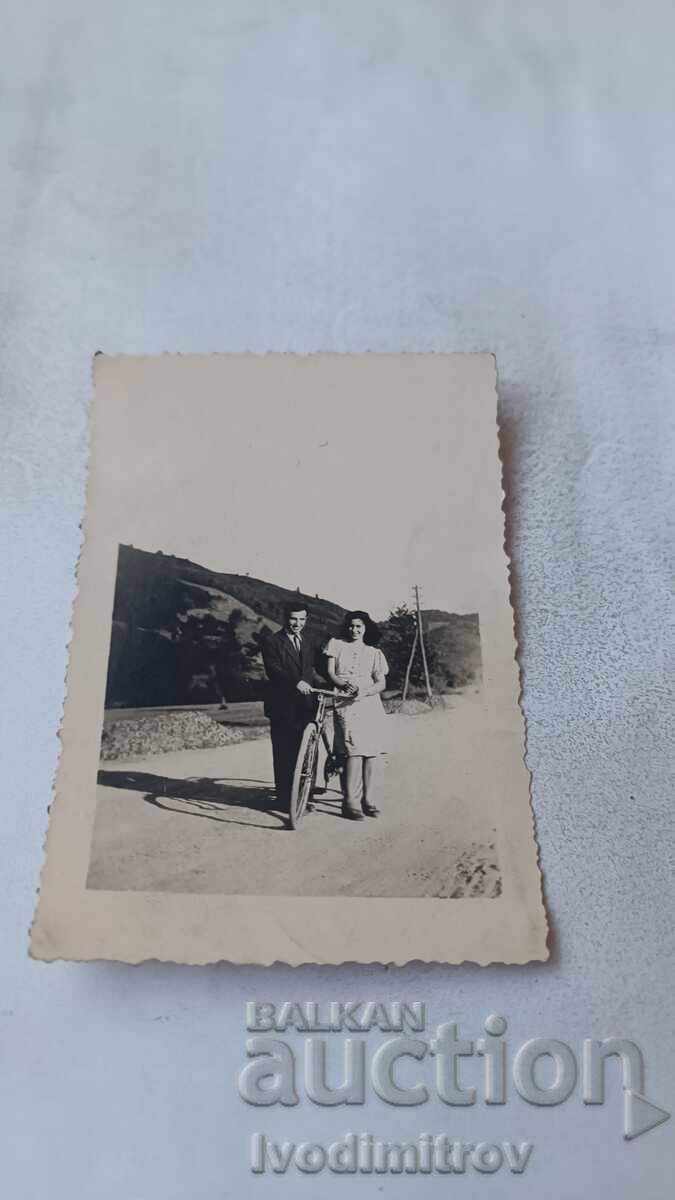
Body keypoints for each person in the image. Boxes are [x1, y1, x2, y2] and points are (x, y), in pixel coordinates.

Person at [324, 610, 389, 820]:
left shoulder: (373, 652)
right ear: (347, 627)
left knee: (371, 751)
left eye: (359, 626)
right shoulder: (336, 645)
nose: (354, 630)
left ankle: (368, 800)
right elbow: (331, 673)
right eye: (351, 626)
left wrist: (364, 691)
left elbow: (381, 683)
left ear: (365, 628)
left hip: (369, 702)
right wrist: (344, 685)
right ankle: (350, 801)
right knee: (353, 748)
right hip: (345, 700)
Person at [261, 603, 324, 812]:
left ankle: (305, 795)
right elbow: (274, 670)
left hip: (307, 705)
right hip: (282, 705)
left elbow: (321, 666)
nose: (297, 624)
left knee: (308, 750)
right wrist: (296, 682)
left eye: (302, 620)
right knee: (284, 752)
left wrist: (340, 682)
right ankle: (284, 800)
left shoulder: (309, 641)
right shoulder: (272, 641)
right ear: (284, 617)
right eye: (293, 619)